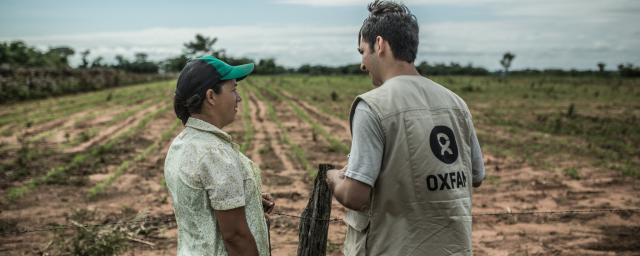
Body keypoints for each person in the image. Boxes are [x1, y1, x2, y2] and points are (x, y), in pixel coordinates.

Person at [326, 1, 485, 255]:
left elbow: (355, 197)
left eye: (362, 51)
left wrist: (333, 177)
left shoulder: (372, 106)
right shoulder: (456, 103)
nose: (362, 64)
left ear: (379, 45)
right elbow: (476, 175)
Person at [164, 55, 275, 256]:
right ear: (211, 96)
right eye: (233, 90)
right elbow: (235, 236)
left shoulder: (182, 143)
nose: (238, 98)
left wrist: (249, 200)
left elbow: (201, 203)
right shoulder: (215, 153)